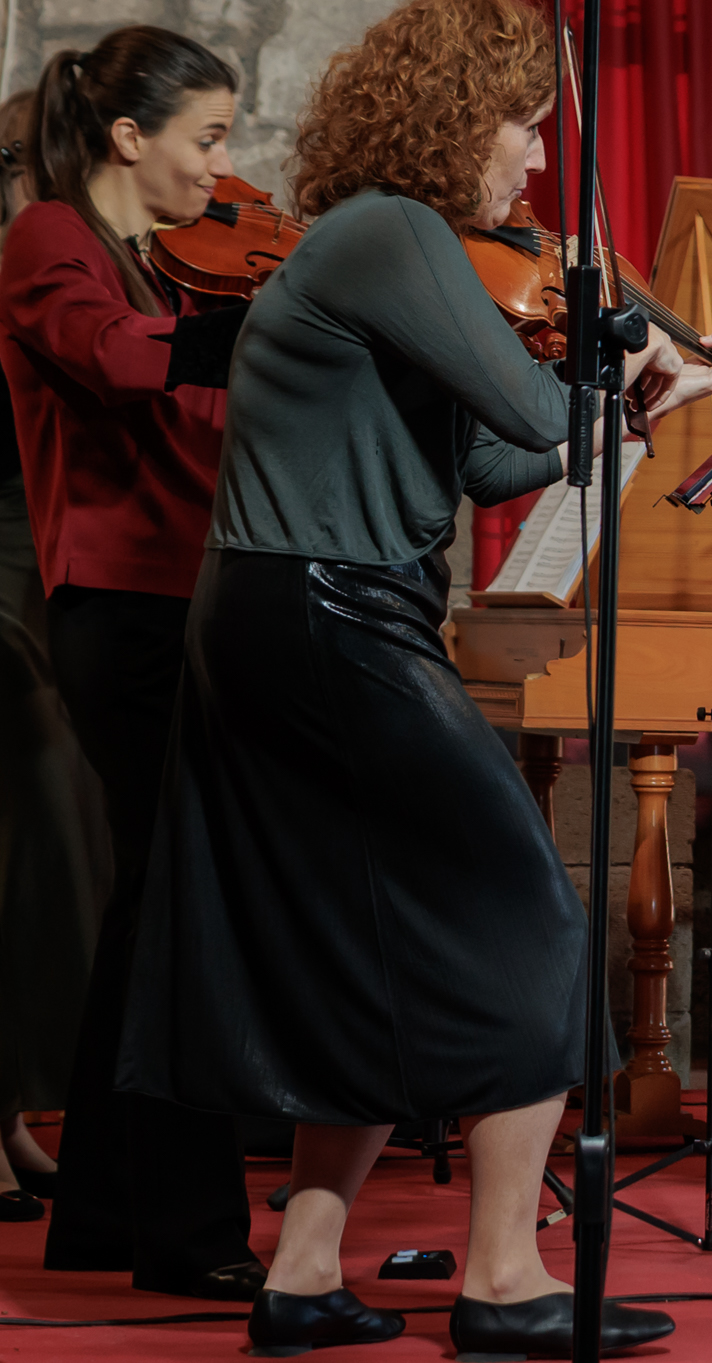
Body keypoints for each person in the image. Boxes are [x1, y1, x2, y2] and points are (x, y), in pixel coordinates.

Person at [115, 0, 712, 1354]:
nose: (537, 160)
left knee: (368, 939)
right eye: (524, 126)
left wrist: (657, 400)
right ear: (458, 119)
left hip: (299, 611)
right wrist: (631, 347)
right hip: (326, 612)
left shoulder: (397, 252)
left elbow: (495, 463)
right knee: (532, 920)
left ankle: (304, 1269)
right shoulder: (386, 233)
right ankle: (505, 1278)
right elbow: (529, 409)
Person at [0, 27, 263, 1293]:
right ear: (126, 136)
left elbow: (203, 420)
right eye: (206, 138)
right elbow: (107, 358)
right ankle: (189, 1232)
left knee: (152, 906)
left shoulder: (172, 261)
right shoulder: (51, 238)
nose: (222, 166)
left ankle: (107, 1215)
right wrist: (264, 328)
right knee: (186, 911)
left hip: (183, 598)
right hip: (121, 608)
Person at [0, 87, 108, 1229]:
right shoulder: (29, 261)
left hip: (41, 576)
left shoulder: (73, 259)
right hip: (3, 595)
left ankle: (14, 1116)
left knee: (47, 857)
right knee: (19, 850)